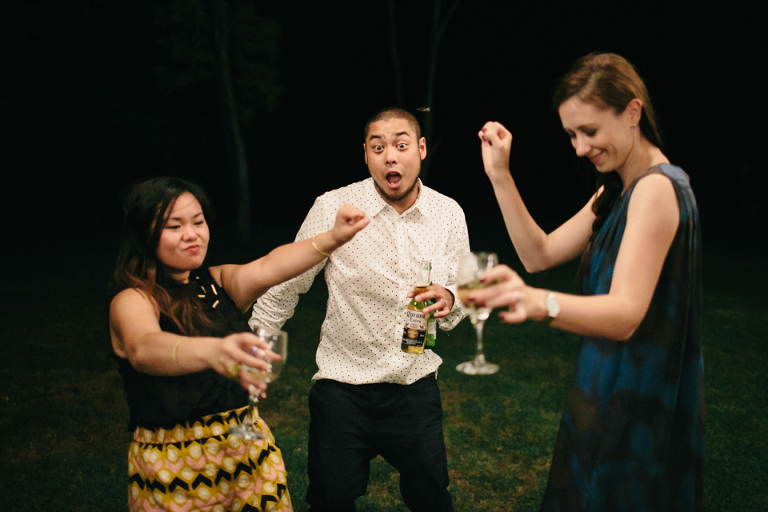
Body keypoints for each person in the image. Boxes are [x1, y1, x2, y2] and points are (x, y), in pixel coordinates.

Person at [472, 53, 704, 511]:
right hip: (603, 390)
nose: (579, 148)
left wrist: (539, 303)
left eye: (590, 131)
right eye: (572, 135)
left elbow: (625, 315)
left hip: (637, 403)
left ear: (633, 113)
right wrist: (499, 174)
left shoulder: (658, 188)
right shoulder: (617, 189)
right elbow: (538, 254)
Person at [250, 107, 470, 512]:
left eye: (402, 145)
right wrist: (253, 353)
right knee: (330, 501)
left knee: (432, 499)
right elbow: (284, 285)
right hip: (342, 390)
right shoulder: (334, 207)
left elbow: (465, 288)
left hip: (414, 385)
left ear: (420, 149)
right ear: (365, 155)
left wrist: (452, 296)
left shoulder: (448, 214)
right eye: (378, 146)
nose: (391, 156)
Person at [109, 177, 369, 512]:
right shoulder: (133, 298)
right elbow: (144, 349)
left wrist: (332, 239)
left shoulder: (217, 284)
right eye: (175, 226)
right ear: (144, 233)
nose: (192, 234)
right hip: (175, 462)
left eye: (198, 222)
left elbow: (271, 266)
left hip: (247, 448)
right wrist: (215, 352)